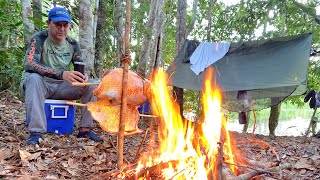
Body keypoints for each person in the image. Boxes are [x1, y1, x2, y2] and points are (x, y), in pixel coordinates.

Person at [21, 6, 102, 144]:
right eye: (58, 25)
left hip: (61, 88)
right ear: (49, 23)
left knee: (91, 85)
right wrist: (61, 74)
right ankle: (36, 133)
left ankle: (85, 130)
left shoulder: (72, 43)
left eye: (65, 25)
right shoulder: (39, 38)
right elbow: (30, 64)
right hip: (40, 84)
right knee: (33, 78)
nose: (62, 29)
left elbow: (79, 66)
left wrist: (83, 76)